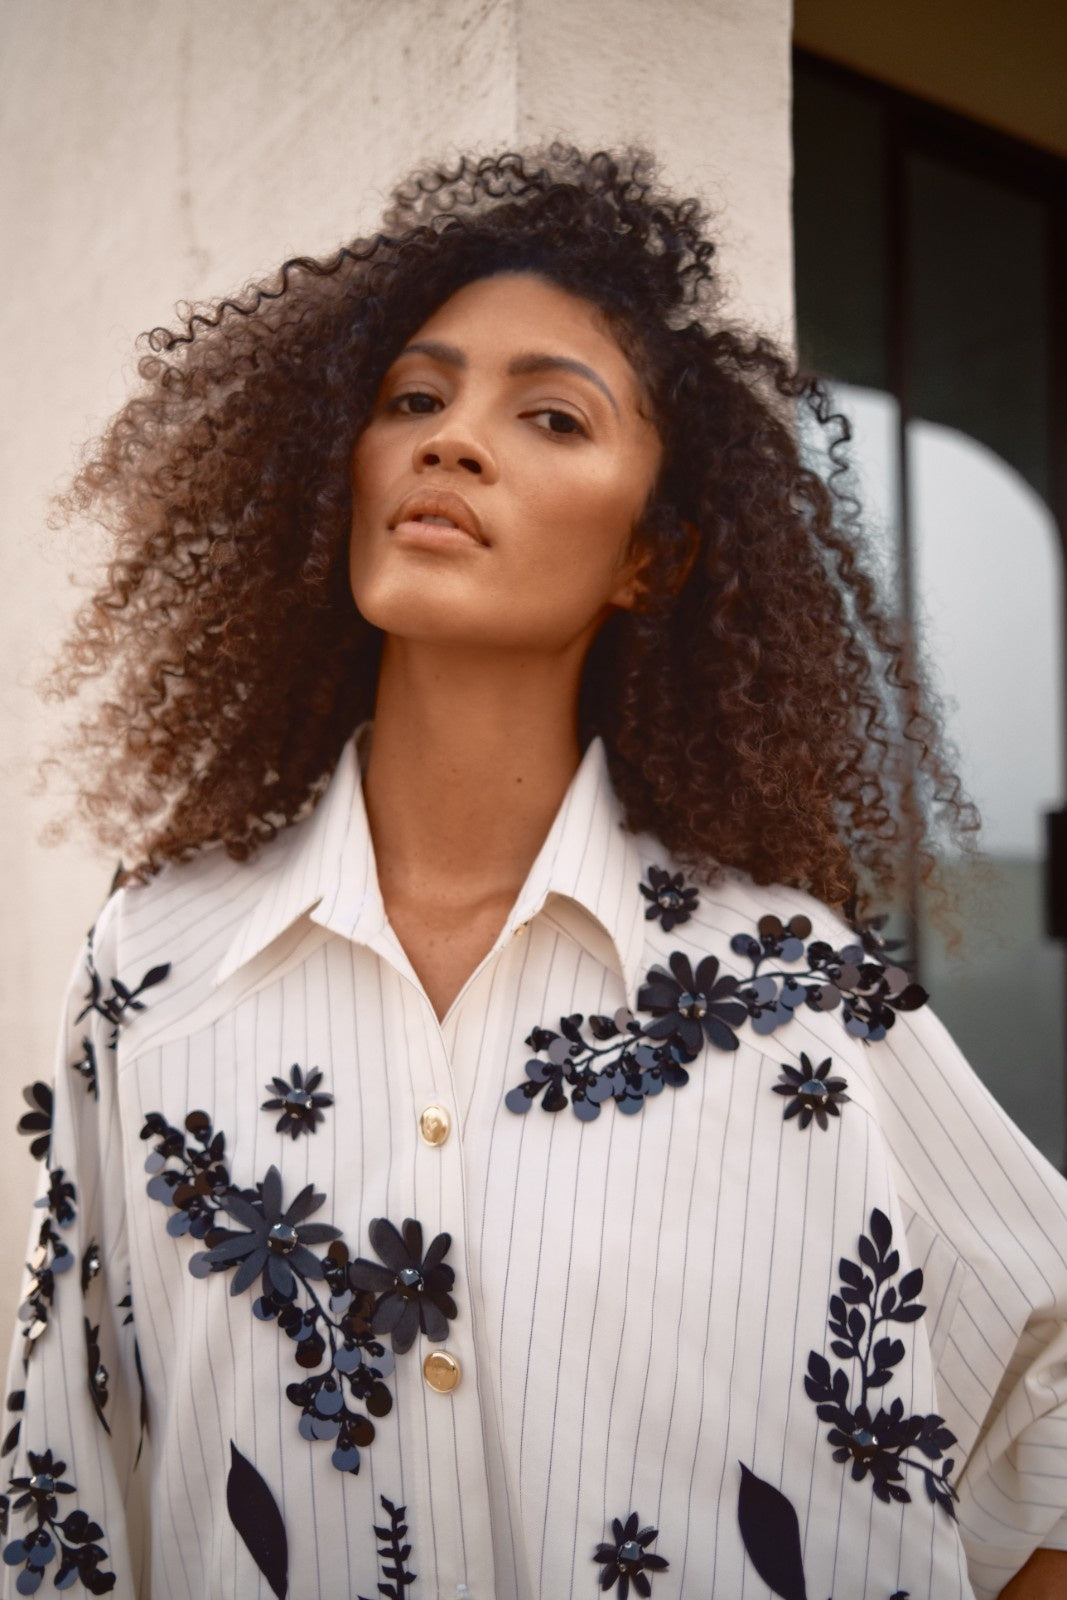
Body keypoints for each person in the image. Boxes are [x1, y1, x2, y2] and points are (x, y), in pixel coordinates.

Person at [4, 146, 1065, 1600]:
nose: (452, 442)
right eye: (415, 400)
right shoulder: (156, 965)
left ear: (653, 555)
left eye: (551, 415)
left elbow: (1049, 1366)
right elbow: (65, 1481)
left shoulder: (783, 987)